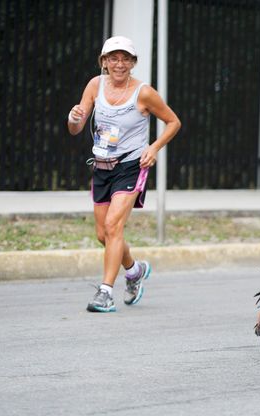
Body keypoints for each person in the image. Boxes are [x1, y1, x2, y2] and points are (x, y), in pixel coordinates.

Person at [67, 36, 181, 313]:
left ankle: (105, 292)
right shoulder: (95, 85)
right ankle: (134, 270)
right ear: (104, 62)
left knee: (114, 227)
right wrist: (73, 118)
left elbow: (173, 121)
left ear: (133, 63)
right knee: (103, 235)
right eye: (114, 58)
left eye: (126, 59)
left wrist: (153, 148)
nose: (120, 64)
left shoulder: (143, 93)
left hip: (131, 165)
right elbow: (76, 128)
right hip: (102, 165)